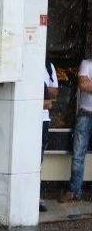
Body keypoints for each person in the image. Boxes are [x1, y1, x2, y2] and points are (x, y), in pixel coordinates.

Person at [61, 57, 92, 203]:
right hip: (85, 113)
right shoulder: (86, 63)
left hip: (85, 114)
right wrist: (86, 83)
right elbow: (83, 85)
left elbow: (87, 84)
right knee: (78, 155)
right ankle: (74, 191)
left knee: (79, 155)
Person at [40, 60, 58, 212]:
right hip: (27, 120)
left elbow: (49, 102)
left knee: (38, 160)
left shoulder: (48, 67)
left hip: (43, 120)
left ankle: (36, 196)